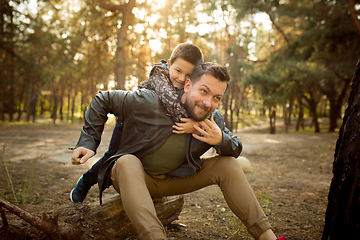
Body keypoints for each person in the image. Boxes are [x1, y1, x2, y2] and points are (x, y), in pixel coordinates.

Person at [71, 63, 285, 240]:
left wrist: (220, 140)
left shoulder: (213, 120)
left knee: (228, 164)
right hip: (133, 177)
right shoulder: (149, 101)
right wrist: (88, 142)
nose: (208, 103)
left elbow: (236, 146)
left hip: (172, 181)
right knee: (126, 161)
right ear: (188, 84)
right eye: (204, 91)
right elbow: (103, 99)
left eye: (217, 97)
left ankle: (267, 237)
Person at [70, 42, 204, 203]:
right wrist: (196, 123)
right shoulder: (160, 77)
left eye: (188, 75)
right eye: (178, 71)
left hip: (156, 128)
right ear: (169, 64)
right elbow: (174, 107)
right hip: (132, 122)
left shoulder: (192, 88)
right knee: (113, 156)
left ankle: (147, 189)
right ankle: (85, 182)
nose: (182, 78)